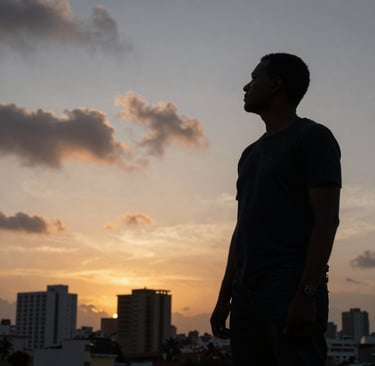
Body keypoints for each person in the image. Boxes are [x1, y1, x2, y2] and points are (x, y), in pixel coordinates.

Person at [210, 53, 341, 366]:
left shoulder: (313, 138)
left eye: (254, 78)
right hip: (246, 295)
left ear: (275, 85)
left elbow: (326, 221)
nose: (246, 85)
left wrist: (306, 294)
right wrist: (225, 295)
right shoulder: (249, 154)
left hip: (289, 290)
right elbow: (243, 228)